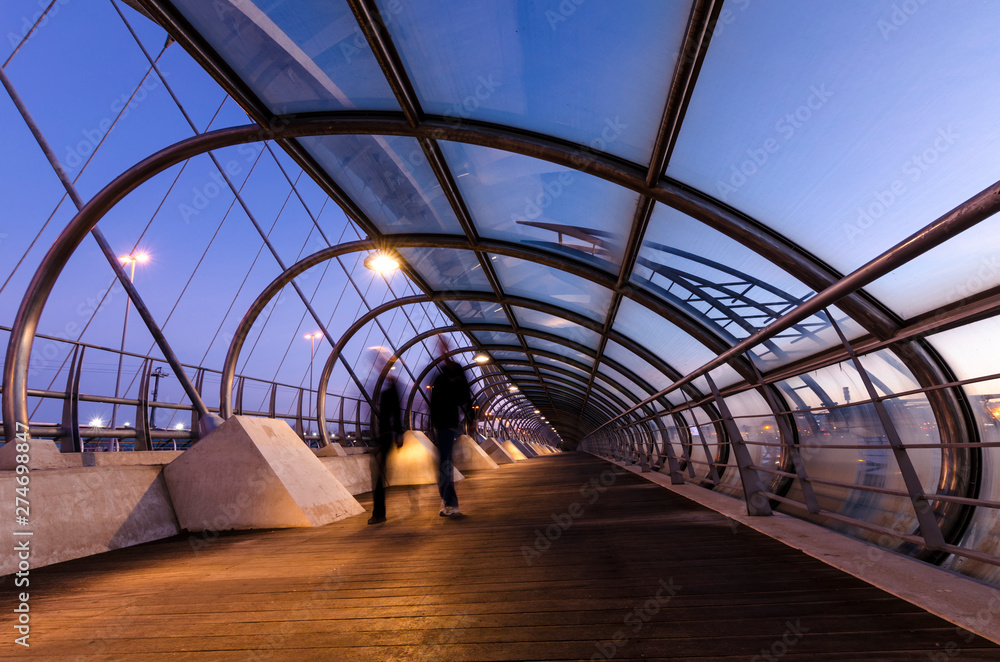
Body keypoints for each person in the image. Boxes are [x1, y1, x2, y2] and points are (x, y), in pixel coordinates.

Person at [429, 336, 472, 517]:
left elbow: (465, 395)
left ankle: (451, 503)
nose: (441, 350)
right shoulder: (438, 375)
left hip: (448, 423)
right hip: (440, 424)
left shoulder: (455, 371)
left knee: (445, 463)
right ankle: (447, 499)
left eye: (444, 347)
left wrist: (472, 417)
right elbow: (433, 402)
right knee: (442, 464)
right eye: (440, 348)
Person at [369, 349, 403, 525]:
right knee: (379, 474)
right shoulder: (383, 385)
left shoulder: (391, 385)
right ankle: (378, 512)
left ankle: (378, 513)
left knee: (379, 474)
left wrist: (399, 433)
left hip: (386, 435)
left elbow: (397, 412)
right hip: (381, 435)